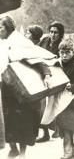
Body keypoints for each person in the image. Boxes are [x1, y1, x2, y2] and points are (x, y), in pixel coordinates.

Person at [0, 15, 52, 159]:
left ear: (8, 28)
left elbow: (38, 58)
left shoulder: (21, 41)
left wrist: (46, 74)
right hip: (5, 86)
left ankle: (22, 153)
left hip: (22, 85)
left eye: (1, 27)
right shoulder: (2, 42)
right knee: (7, 118)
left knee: (23, 119)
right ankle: (13, 149)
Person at [37, 21, 65, 142]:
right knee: (43, 105)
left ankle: (58, 127)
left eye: (56, 33)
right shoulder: (44, 41)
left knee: (54, 103)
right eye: (51, 32)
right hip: (44, 74)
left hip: (57, 75)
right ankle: (45, 132)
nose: (53, 35)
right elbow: (36, 52)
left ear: (60, 34)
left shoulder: (62, 45)